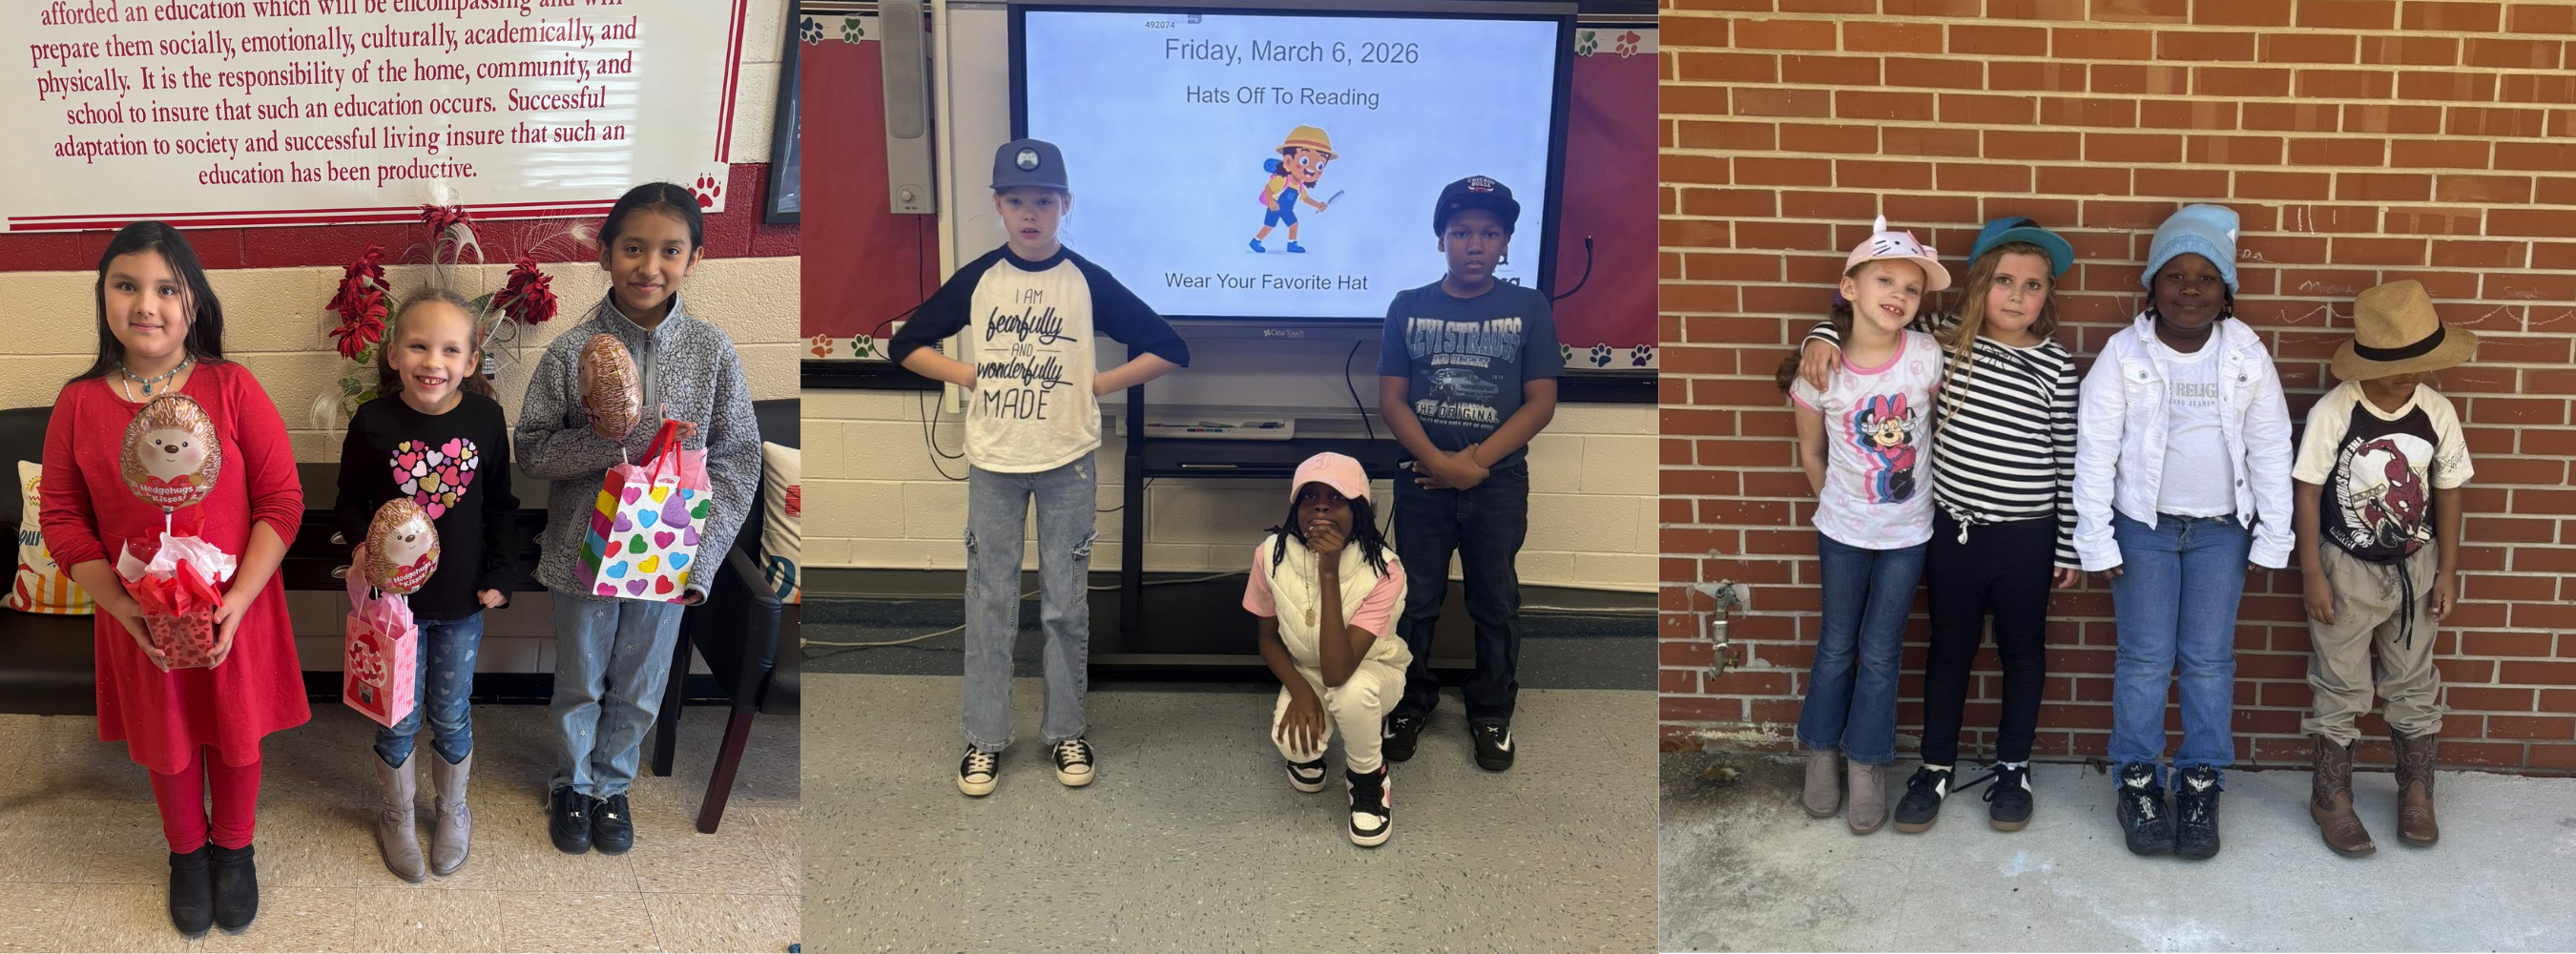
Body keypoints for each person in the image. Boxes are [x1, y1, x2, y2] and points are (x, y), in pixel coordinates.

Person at [890, 138, 1191, 797]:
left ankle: (1066, 731)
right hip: (995, 463)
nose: (1031, 214)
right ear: (998, 205)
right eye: (1017, 201)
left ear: (1065, 206)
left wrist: (1100, 384)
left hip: (1068, 463)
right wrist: (968, 374)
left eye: (1044, 201)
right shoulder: (979, 279)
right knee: (990, 600)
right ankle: (984, 737)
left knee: (1065, 605)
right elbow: (904, 344)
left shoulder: (1085, 280)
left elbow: (1171, 347)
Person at [40, 221, 309, 937]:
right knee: (167, 732)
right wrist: (123, 610)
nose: (146, 304)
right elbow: (64, 520)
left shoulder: (232, 387)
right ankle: (187, 854)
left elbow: (281, 502)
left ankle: (234, 848)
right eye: (126, 286)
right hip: (138, 613)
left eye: (166, 288)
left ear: (194, 301)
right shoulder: (78, 404)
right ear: (102, 297)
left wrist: (239, 601)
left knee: (235, 728)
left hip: (234, 605)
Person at [1797, 218, 2082, 833]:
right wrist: (1820, 332)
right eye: (2002, 280)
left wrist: (2067, 544)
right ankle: (1935, 766)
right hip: (1951, 532)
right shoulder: (1940, 341)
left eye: (2032, 286)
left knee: (2021, 652)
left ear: (2046, 297)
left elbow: (2068, 458)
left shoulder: (2056, 365)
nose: (2015, 295)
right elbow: (1867, 322)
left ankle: (2013, 768)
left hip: (2026, 535)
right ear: (1977, 285)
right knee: (1948, 651)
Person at [516, 182, 761, 855]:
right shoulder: (570, 352)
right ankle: (571, 783)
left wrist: (700, 561)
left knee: (642, 682)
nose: (648, 265)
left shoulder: (713, 354)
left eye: (669, 250)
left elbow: (739, 460)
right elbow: (531, 450)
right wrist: (606, 436)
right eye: (632, 247)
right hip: (581, 554)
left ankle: (611, 786)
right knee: (580, 681)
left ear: (695, 260)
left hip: (667, 558)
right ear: (604, 254)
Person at [2073, 203, 2293, 861]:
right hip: (2143, 529)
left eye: (2205, 276)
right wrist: (2096, 537)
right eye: (2174, 275)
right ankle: (2137, 781)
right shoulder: (2123, 353)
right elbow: (2094, 448)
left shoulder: (2247, 353)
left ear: (2226, 291)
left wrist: (2273, 535)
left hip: (2222, 533)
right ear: (2152, 285)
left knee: (2207, 663)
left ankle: (2200, 781)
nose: (2189, 288)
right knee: (2143, 662)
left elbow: (2271, 446)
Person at [1375, 176, 1560, 773]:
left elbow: (1540, 402)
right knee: (1416, 599)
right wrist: (1440, 464)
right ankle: (1409, 702)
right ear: (1440, 241)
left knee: (1495, 601)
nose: (1474, 244)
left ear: (1505, 242)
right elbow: (1393, 399)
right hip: (1422, 480)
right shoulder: (1408, 307)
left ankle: (1491, 712)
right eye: (1460, 233)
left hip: (1496, 484)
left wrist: (1474, 465)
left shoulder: (1528, 307)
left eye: (1489, 233)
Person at [335, 288, 519, 881]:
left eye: (449, 349)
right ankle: (396, 813)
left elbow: (501, 507)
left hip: (462, 602)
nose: (431, 361)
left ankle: (452, 808)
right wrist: (364, 547)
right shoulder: (372, 421)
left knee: (451, 708)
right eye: (417, 345)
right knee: (397, 716)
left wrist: (499, 572)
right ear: (393, 354)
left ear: (471, 360)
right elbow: (348, 502)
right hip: (394, 609)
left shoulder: (486, 420)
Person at [2294, 280, 2475, 857]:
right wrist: (2311, 574)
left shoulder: (2436, 412)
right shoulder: (2336, 411)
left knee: (2414, 678)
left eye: (2421, 364)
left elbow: (2448, 490)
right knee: (2341, 680)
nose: (2410, 375)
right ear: (2364, 360)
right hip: (2344, 566)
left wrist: (2447, 570)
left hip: (2415, 568)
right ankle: (2331, 796)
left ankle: (2416, 790)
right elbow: (2306, 492)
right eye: (2398, 365)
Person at [1776, 218, 1946, 834]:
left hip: (1908, 534)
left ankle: (1868, 761)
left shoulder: (1926, 356)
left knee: (1881, 652)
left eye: (1912, 287)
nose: (1898, 294)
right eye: (1884, 280)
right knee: (1837, 645)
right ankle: (1821, 753)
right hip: (1843, 534)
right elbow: (1812, 453)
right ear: (1849, 287)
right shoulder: (1820, 373)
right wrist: (1838, 507)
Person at [1247, 453, 1409, 846]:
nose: (1320, 505)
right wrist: (1301, 690)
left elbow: (1339, 672)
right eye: (1309, 497)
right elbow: (1267, 640)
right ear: (1294, 509)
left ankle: (1368, 778)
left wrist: (1329, 570)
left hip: (1370, 670)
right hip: (1308, 671)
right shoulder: (1271, 554)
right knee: (1296, 748)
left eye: (1336, 498)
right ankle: (1323, 743)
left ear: (1360, 511)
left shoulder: (1385, 570)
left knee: (1352, 694)